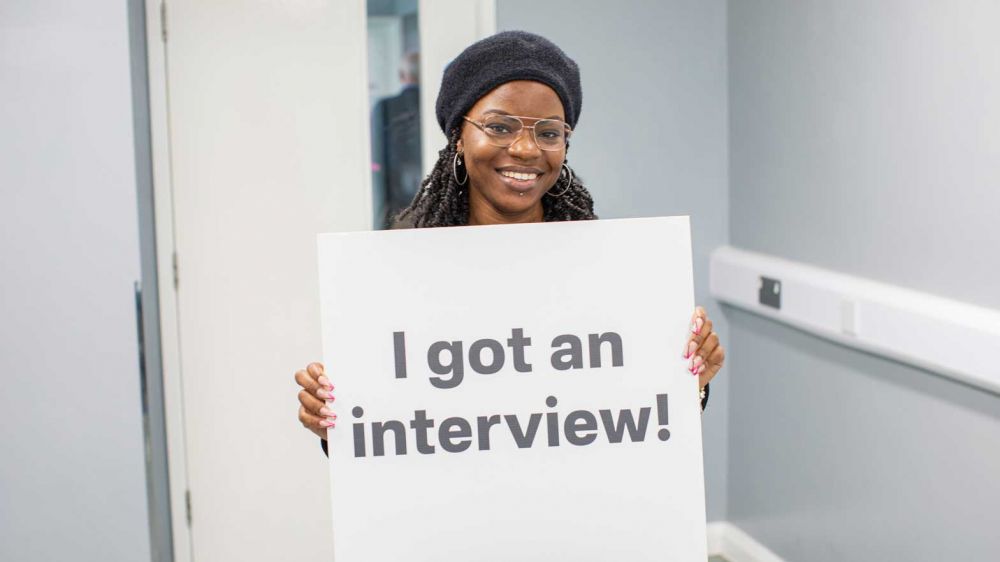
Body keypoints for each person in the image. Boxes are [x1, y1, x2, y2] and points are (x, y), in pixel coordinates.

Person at [295, 31, 726, 447]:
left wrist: (690, 384)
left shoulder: (606, 265)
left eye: (548, 132)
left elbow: (635, 420)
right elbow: (389, 431)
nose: (525, 149)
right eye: (499, 127)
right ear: (459, 138)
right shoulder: (400, 266)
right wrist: (336, 422)